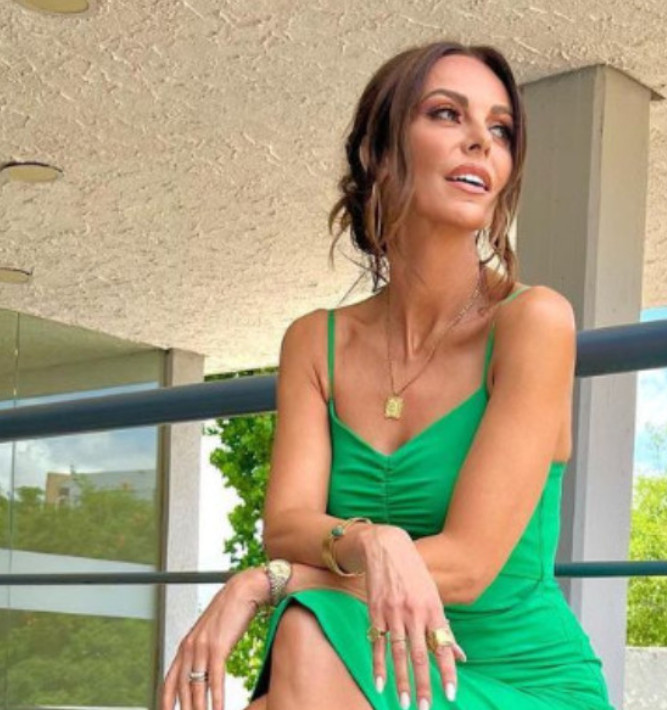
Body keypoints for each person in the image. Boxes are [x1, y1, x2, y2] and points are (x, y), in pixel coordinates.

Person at [161, 41, 613, 710]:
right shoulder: (317, 342)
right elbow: (287, 524)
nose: (480, 142)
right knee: (306, 650)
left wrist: (264, 584)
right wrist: (371, 540)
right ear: (379, 152)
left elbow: (467, 566)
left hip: (520, 682)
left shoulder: (533, 323)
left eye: (500, 130)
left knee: (306, 630)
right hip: (369, 668)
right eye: (446, 114)